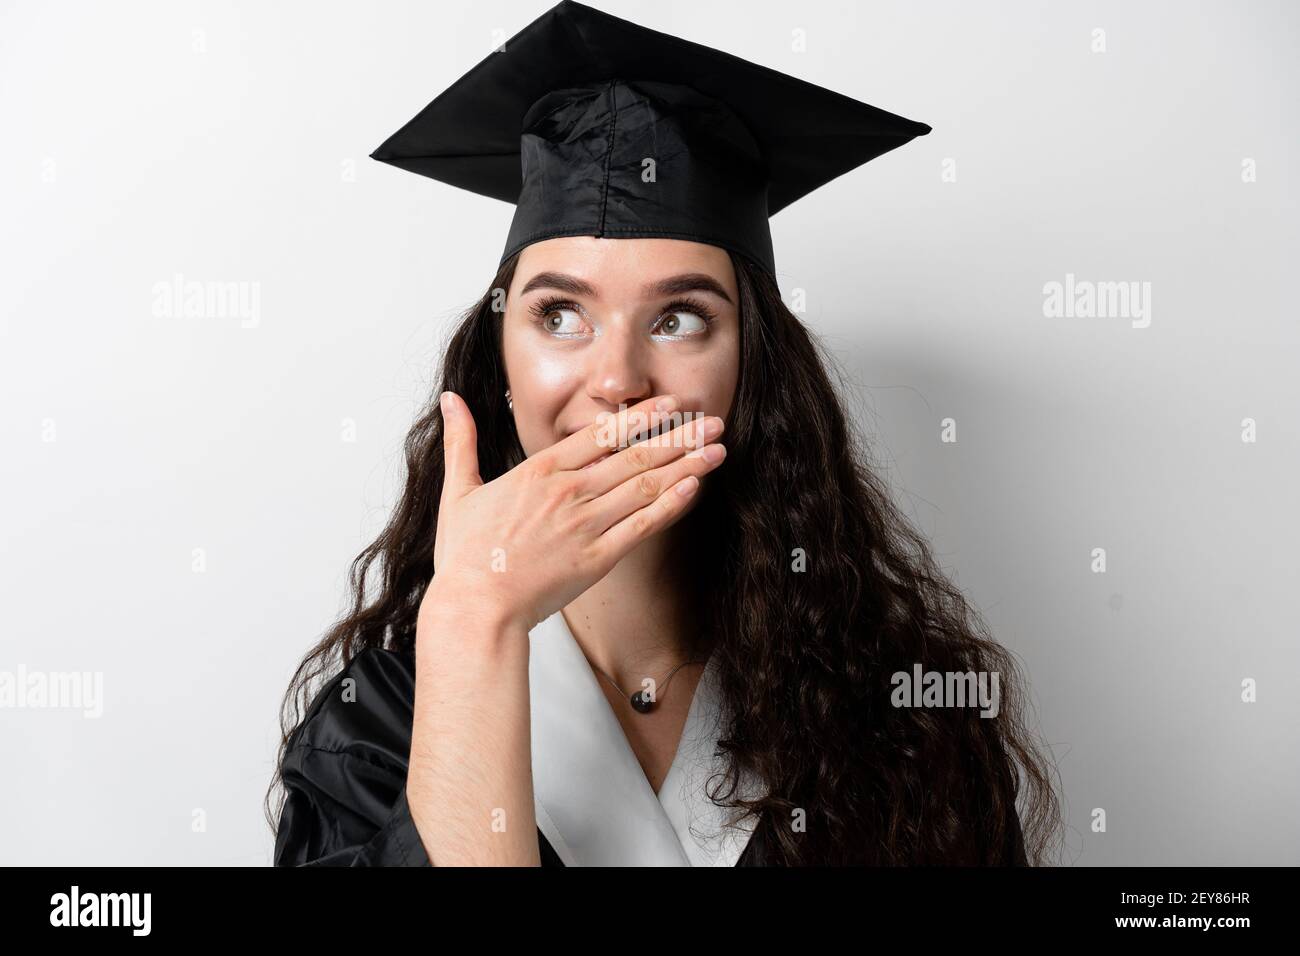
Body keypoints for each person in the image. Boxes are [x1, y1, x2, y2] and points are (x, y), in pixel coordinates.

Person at [269, 0, 1059, 866]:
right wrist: (472, 619)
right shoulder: (379, 727)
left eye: (680, 318)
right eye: (560, 314)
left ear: (753, 365)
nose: (616, 379)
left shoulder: (902, 720)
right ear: (498, 358)